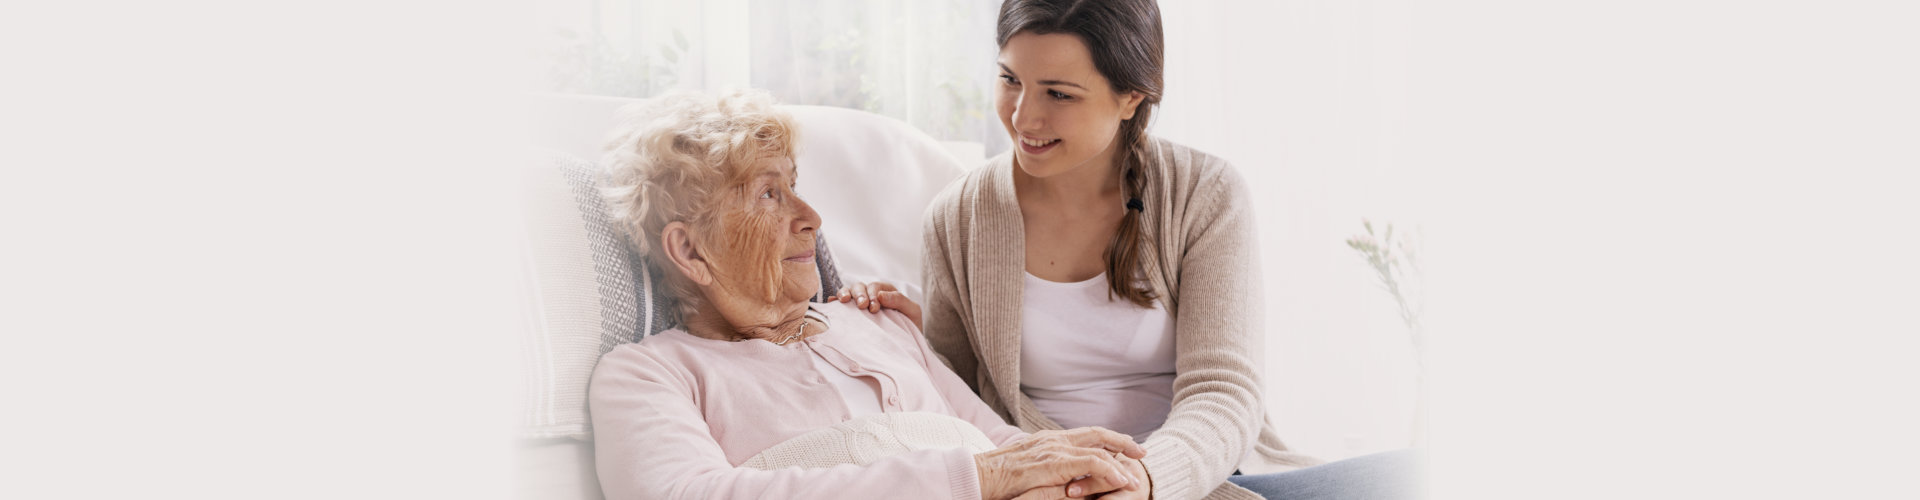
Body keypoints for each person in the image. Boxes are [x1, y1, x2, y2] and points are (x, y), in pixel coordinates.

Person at [834, 1, 1420, 499]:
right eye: (1011, 79)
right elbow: (955, 413)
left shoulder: (1206, 194)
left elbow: (1224, 389)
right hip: (1052, 486)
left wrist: (1145, 477)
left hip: (1194, 475)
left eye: (1059, 93)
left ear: (1131, 97)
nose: (1024, 116)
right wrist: (899, 340)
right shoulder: (956, 219)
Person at [588, 89, 1158, 500]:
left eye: (795, 186)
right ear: (690, 252)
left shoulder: (884, 323)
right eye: (767, 195)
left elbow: (1004, 444)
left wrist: (1082, 474)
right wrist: (978, 479)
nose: (811, 217)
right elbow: (687, 494)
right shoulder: (646, 374)